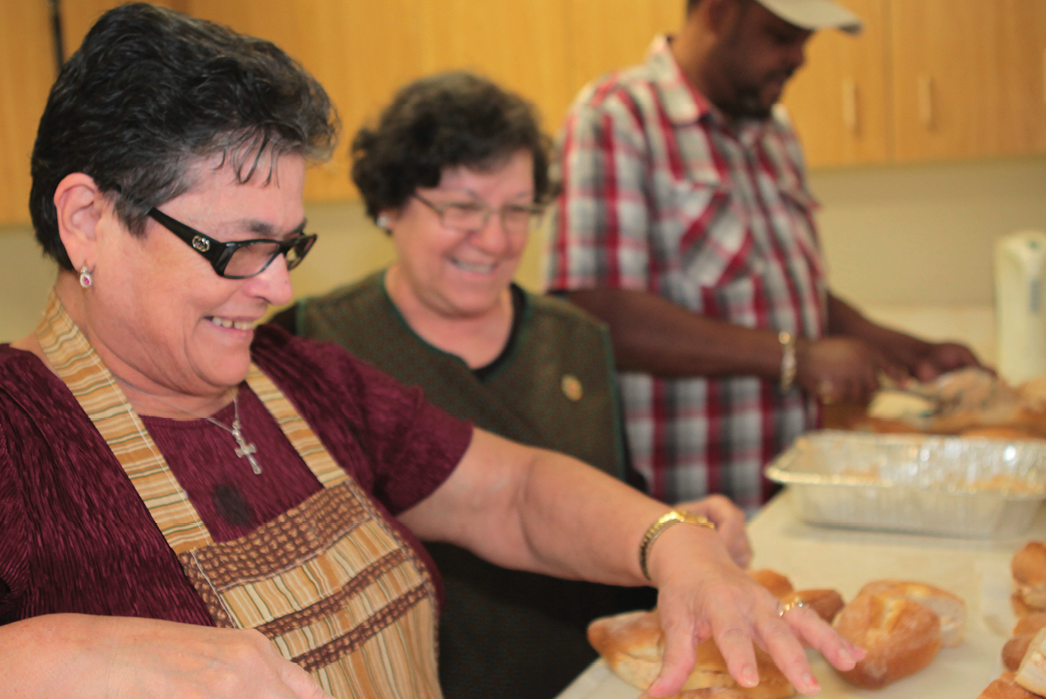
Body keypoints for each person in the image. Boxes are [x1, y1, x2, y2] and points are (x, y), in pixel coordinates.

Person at [0, 5, 862, 699]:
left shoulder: (302, 385)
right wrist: (65, 658)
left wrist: (672, 549)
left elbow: (508, 493)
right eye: (236, 248)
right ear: (85, 220)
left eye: (290, 244)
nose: (280, 288)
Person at [271, 71, 749, 699]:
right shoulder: (311, 345)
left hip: (593, 681)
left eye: (517, 210)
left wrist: (680, 530)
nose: (496, 240)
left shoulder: (577, 340)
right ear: (389, 206)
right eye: (462, 208)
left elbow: (610, 503)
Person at [550, 0, 982, 509]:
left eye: (805, 42)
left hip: (785, 498)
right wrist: (796, 358)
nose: (799, 59)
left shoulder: (774, 130)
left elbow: (779, 288)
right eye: (781, 36)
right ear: (716, 13)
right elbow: (597, 312)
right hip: (680, 510)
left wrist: (902, 350)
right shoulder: (615, 118)